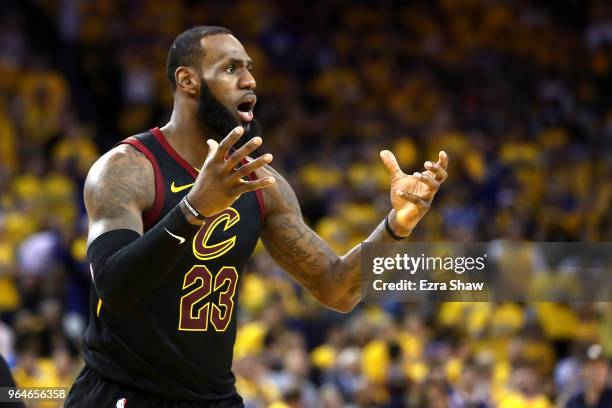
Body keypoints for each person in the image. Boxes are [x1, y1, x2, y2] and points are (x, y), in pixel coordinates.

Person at [64, 25, 449, 407]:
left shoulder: (263, 185)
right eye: (231, 69)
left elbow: (337, 288)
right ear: (188, 81)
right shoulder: (127, 168)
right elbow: (114, 288)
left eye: (249, 69)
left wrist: (397, 226)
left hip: (213, 398)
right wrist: (193, 210)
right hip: (123, 392)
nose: (249, 80)